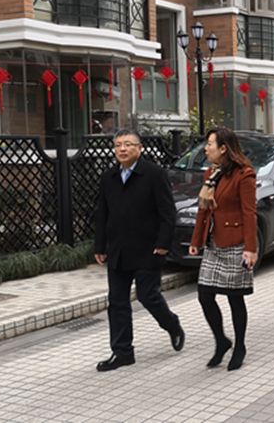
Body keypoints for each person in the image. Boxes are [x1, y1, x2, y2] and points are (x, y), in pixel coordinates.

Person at [93, 129, 184, 372]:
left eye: (128, 144)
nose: (122, 149)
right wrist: (100, 245)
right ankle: (122, 352)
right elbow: (102, 213)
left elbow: (167, 212)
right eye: (118, 145)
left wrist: (163, 243)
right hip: (118, 250)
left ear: (140, 148)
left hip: (148, 249)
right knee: (117, 302)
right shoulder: (109, 177)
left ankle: (172, 325)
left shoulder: (154, 174)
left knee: (148, 296)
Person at [189, 128, 257, 371]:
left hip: (235, 243)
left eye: (210, 144)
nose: (206, 148)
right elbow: (204, 209)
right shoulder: (211, 173)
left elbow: (249, 213)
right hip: (213, 243)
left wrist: (250, 248)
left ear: (223, 148)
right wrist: (196, 241)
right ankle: (221, 341)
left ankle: (240, 346)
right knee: (204, 295)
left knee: (234, 297)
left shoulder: (244, 174)